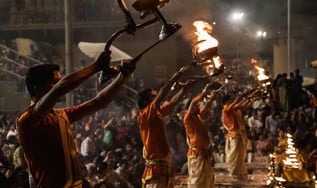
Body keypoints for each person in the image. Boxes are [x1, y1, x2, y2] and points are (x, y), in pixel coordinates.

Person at [16, 51, 135, 187]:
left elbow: (99, 102)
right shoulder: (26, 120)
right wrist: (96, 67)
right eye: (54, 82)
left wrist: (122, 77)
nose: (59, 84)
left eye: (59, 81)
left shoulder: (61, 115)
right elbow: (60, 89)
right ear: (38, 88)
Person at [136, 66, 196, 188]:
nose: (156, 98)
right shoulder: (145, 115)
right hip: (155, 167)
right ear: (146, 102)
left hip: (163, 165)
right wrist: (176, 76)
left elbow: (173, 103)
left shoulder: (157, 113)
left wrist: (184, 89)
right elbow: (163, 94)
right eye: (153, 97)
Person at [183, 84, 220, 188]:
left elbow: (207, 105)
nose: (199, 106)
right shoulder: (188, 117)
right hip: (197, 154)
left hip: (204, 154)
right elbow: (194, 102)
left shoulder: (197, 116)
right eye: (196, 106)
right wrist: (204, 92)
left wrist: (213, 96)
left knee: (207, 180)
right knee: (198, 181)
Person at [222, 92, 251, 181]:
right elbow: (236, 103)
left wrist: (250, 99)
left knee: (240, 156)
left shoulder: (235, 109)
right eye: (231, 100)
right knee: (234, 156)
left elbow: (243, 106)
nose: (232, 101)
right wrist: (241, 96)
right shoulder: (226, 110)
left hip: (240, 134)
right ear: (227, 102)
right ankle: (235, 173)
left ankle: (240, 174)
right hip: (234, 135)